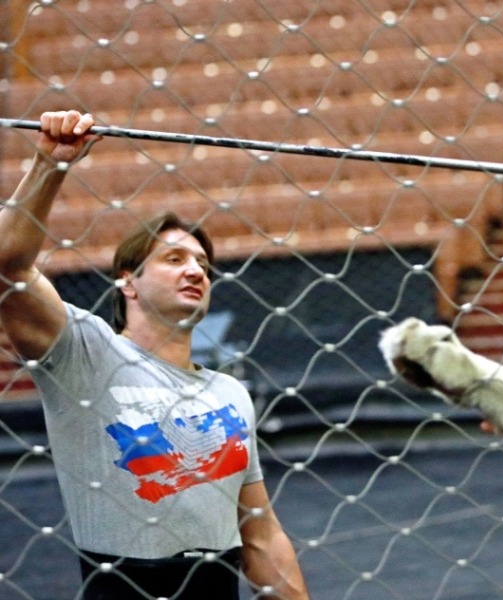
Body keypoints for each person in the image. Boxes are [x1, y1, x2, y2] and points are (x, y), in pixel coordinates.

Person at [0, 110, 312, 599]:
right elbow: (7, 264)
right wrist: (49, 164)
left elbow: (260, 534)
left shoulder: (229, 391)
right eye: (174, 259)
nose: (196, 271)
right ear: (128, 281)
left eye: (204, 265)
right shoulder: (86, 353)